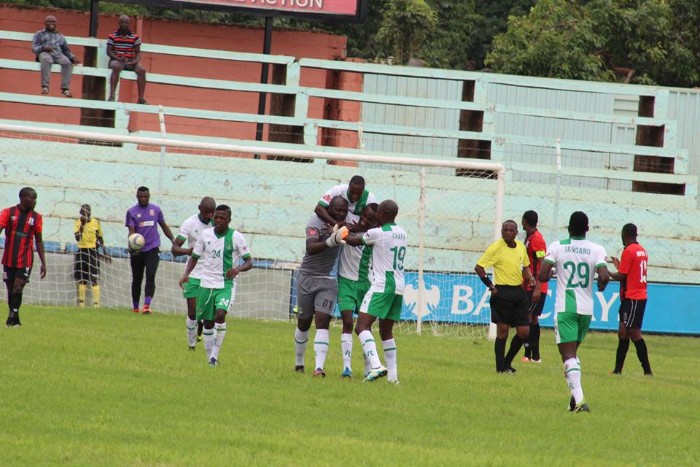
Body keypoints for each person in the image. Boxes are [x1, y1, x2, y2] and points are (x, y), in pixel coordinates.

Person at [538, 211, 610, 413]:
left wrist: (554, 271)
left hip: (566, 307)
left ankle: (580, 402)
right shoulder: (597, 249)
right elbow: (604, 276)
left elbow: (542, 275)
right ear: (587, 229)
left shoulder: (557, 246)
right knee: (572, 355)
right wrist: (601, 285)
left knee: (568, 355)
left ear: (568, 228)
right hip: (586, 309)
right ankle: (573, 399)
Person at [179, 205, 252, 366]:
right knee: (208, 322)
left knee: (220, 315)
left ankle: (214, 357)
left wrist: (237, 269)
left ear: (229, 220)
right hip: (206, 284)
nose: (218, 220)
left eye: (222, 218)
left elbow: (249, 261)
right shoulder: (205, 235)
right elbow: (195, 257)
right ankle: (209, 359)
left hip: (225, 285)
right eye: (216, 217)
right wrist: (186, 274)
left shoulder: (236, 237)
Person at [344, 199, 407, 384]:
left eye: (378, 212)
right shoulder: (403, 233)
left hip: (381, 285)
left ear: (383, 214)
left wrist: (338, 232)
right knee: (386, 331)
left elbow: (353, 241)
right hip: (399, 286)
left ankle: (377, 366)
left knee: (361, 327)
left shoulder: (377, 233)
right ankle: (393, 378)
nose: (375, 214)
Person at [293, 196, 349, 377]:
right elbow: (311, 248)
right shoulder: (315, 222)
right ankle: (299, 362)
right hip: (307, 278)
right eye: (338, 210)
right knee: (303, 322)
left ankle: (318, 368)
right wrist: (332, 240)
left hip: (328, 280)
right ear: (329, 209)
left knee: (323, 321)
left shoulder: (344, 226)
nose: (341, 214)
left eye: (344, 211)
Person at [475, 220, 532, 374]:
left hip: (518, 292)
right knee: (503, 332)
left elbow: (525, 266)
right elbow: (479, 267)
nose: (507, 232)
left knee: (524, 332)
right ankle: (500, 368)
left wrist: (530, 278)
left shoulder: (521, 247)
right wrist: (490, 285)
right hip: (502, 293)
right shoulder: (495, 248)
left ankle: (507, 362)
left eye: (511, 230)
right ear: (501, 232)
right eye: (505, 230)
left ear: (516, 232)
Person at [337, 203, 378, 379]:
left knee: (365, 327)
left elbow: (354, 240)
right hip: (346, 282)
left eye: (369, 219)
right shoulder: (350, 228)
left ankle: (368, 369)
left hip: (365, 284)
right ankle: (346, 368)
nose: (364, 220)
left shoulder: (375, 237)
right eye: (363, 216)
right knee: (347, 321)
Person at [172, 197, 216, 350]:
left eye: (212, 213)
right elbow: (175, 249)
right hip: (193, 272)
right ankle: (191, 346)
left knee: (209, 313)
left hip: (211, 273)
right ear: (199, 208)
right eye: (206, 212)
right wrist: (188, 251)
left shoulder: (217, 223)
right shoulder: (190, 223)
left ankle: (203, 326)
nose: (209, 216)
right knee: (192, 311)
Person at [609, 223, 653, 376]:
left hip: (633, 297)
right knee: (623, 332)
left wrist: (606, 272)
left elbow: (622, 276)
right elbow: (631, 271)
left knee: (633, 332)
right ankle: (617, 370)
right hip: (634, 296)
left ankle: (647, 371)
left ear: (624, 235)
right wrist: (620, 266)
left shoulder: (628, 250)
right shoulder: (641, 250)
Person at [0, 187, 47, 326]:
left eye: (35, 198)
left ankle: (12, 316)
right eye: (31, 198)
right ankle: (14, 317)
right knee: (10, 289)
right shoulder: (8, 212)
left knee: (18, 287)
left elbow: (39, 241)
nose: (34, 201)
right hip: (9, 257)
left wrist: (43, 262)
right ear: (22, 198)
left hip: (25, 258)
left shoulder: (37, 217)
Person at [125, 186, 175, 314]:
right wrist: (132, 245)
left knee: (151, 275)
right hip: (138, 251)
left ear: (149, 196)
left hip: (152, 249)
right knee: (137, 279)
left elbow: (164, 226)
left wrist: (173, 240)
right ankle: (136, 307)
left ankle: (147, 306)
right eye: (141, 196)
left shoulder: (156, 210)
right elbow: (131, 231)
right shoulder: (131, 212)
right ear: (137, 196)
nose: (143, 199)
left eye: (145, 196)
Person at [521, 210, 548, 363]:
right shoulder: (530, 237)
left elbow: (542, 263)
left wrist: (538, 287)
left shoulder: (537, 239)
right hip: (530, 285)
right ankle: (534, 356)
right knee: (533, 318)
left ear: (525, 221)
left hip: (535, 286)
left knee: (527, 317)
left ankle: (529, 355)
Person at [74, 204, 111, 307]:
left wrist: (105, 252)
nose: (86, 214)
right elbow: (77, 238)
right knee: (82, 278)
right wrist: (82, 224)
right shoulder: (77, 222)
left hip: (93, 251)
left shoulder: (95, 222)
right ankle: (81, 303)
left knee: (94, 278)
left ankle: (96, 304)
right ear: (80, 213)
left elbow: (100, 238)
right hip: (82, 251)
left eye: (88, 212)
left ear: (90, 213)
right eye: (84, 212)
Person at [32, 15, 80, 97]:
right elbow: (34, 48)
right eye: (49, 21)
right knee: (46, 60)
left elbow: (66, 50)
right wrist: (43, 48)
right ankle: (45, 86)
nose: (52, 23)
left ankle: (65, 89)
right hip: (45, 53)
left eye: (53, 22)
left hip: (58, 54)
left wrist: (72, 57)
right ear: (45, 23)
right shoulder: (39, 34)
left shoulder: (60, 36)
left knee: (67, 63)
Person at [107, 15, 147, 104]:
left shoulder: (134, 37)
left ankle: (141, 98)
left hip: (130, 60)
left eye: (126, 22)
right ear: (119, 23)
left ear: (129, 24)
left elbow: (138, 52)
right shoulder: (113, 35)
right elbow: (109, 51)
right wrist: (118, 58)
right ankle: (112, 95)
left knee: (142, 70)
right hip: (117, 60)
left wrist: (135, 61)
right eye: (122, 22)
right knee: (115, 67)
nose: (124, 24)